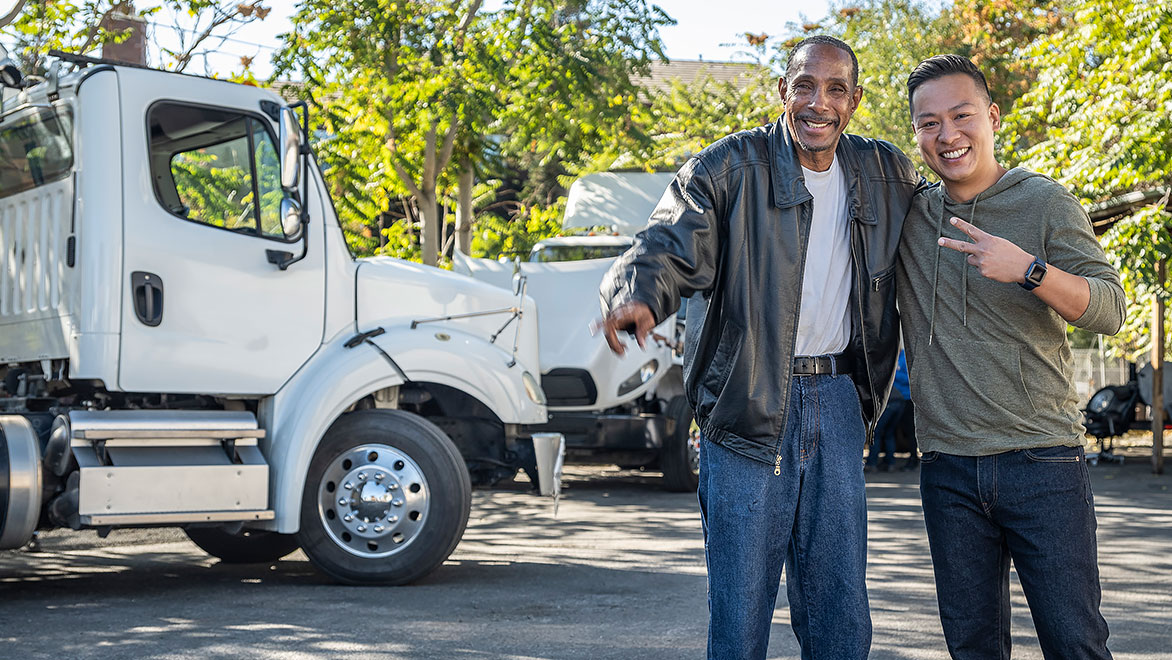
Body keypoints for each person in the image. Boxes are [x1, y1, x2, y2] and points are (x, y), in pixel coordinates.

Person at [598, 36, 921, 660]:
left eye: (834, 89)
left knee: (839, 611)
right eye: (804, 85)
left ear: (853, 102)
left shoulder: (885, 175)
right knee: (741, 612)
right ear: (783, 91)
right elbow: (665, 239)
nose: (816, 102)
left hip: (837, 401)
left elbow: (951, 215)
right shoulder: (727, 169)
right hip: (746, 408)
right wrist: (636, 291)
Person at [898, 54, 1123, 659]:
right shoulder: (909, 213)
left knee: (1074, 642)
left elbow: (1109, 308)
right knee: (973, 647)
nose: (947, 135)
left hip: (1042, 461)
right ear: (915, 131)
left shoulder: (1044, 203)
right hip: (948, 468)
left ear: (992, 117)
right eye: (928, 123)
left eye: (962, 115)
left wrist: (1027, 269)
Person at [866, 349, 911, 472]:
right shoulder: (892, 358)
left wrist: (893, 373)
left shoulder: (901, 358)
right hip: (898, 399)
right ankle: (889, 462)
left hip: (893, 400)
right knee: (889, 433)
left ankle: (872, 462)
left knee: (876, 432)